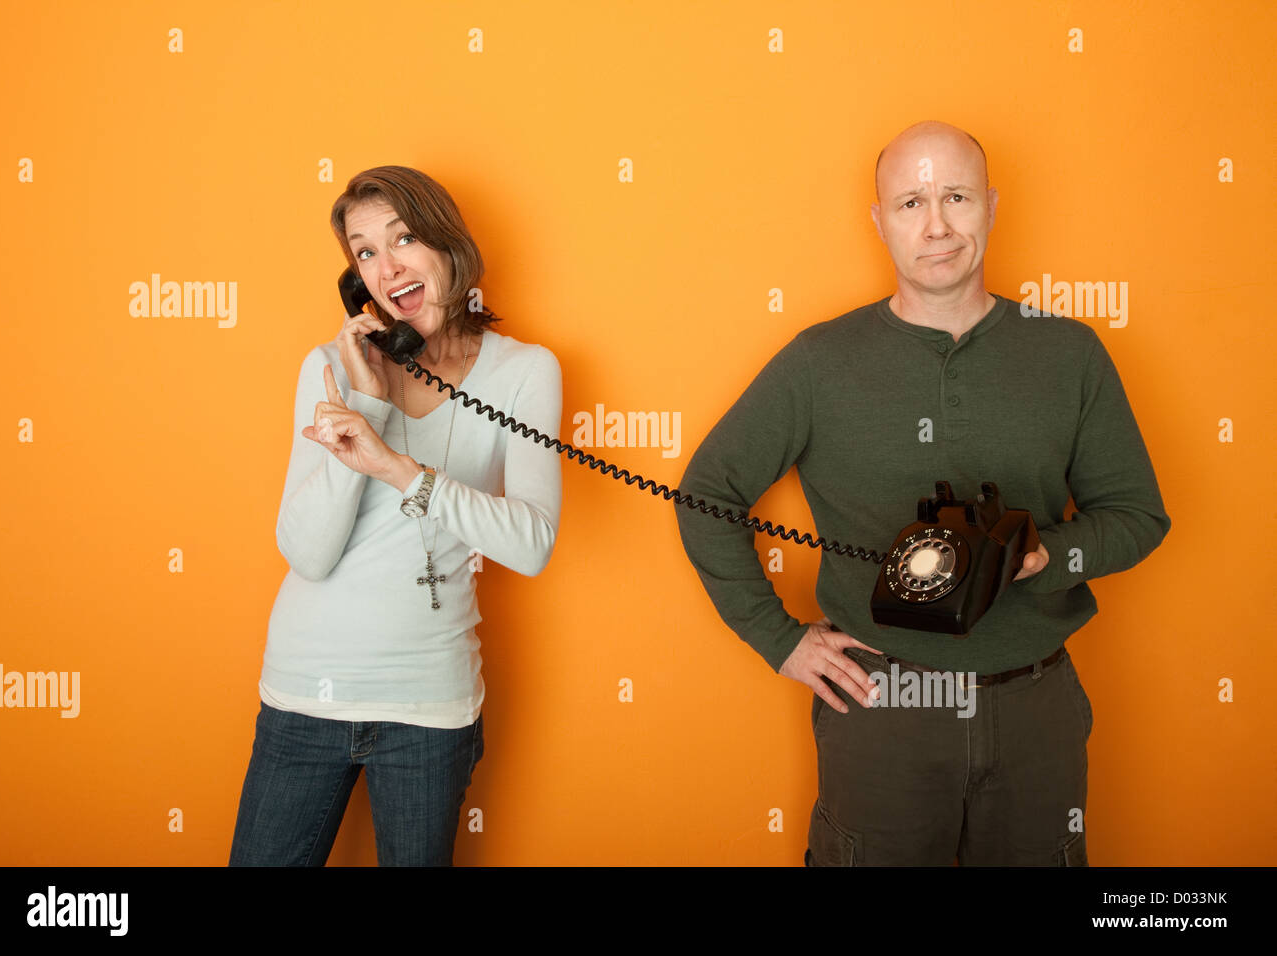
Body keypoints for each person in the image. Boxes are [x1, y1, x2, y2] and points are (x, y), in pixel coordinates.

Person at [674, 121, 1170, 866]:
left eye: (957, 196)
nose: (936, 224)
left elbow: (1138, 516)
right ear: (879, 222)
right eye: (910, 202)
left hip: (1035, 706)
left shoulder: (1071, 353)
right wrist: (779, 640)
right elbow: (706, 493)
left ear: (993, 207)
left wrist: (1045, 554)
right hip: (881, 711)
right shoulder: (819, 361)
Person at [229, 166, 562, 866]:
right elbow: (308, 552)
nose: (387, 266)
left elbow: (531, 544)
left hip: (429, 708)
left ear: (448, 248)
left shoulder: (527, 370)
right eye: (365, 252)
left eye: (404, 237)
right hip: (304, 694)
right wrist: (368, 404)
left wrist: (392, 464)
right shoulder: (329, 368)